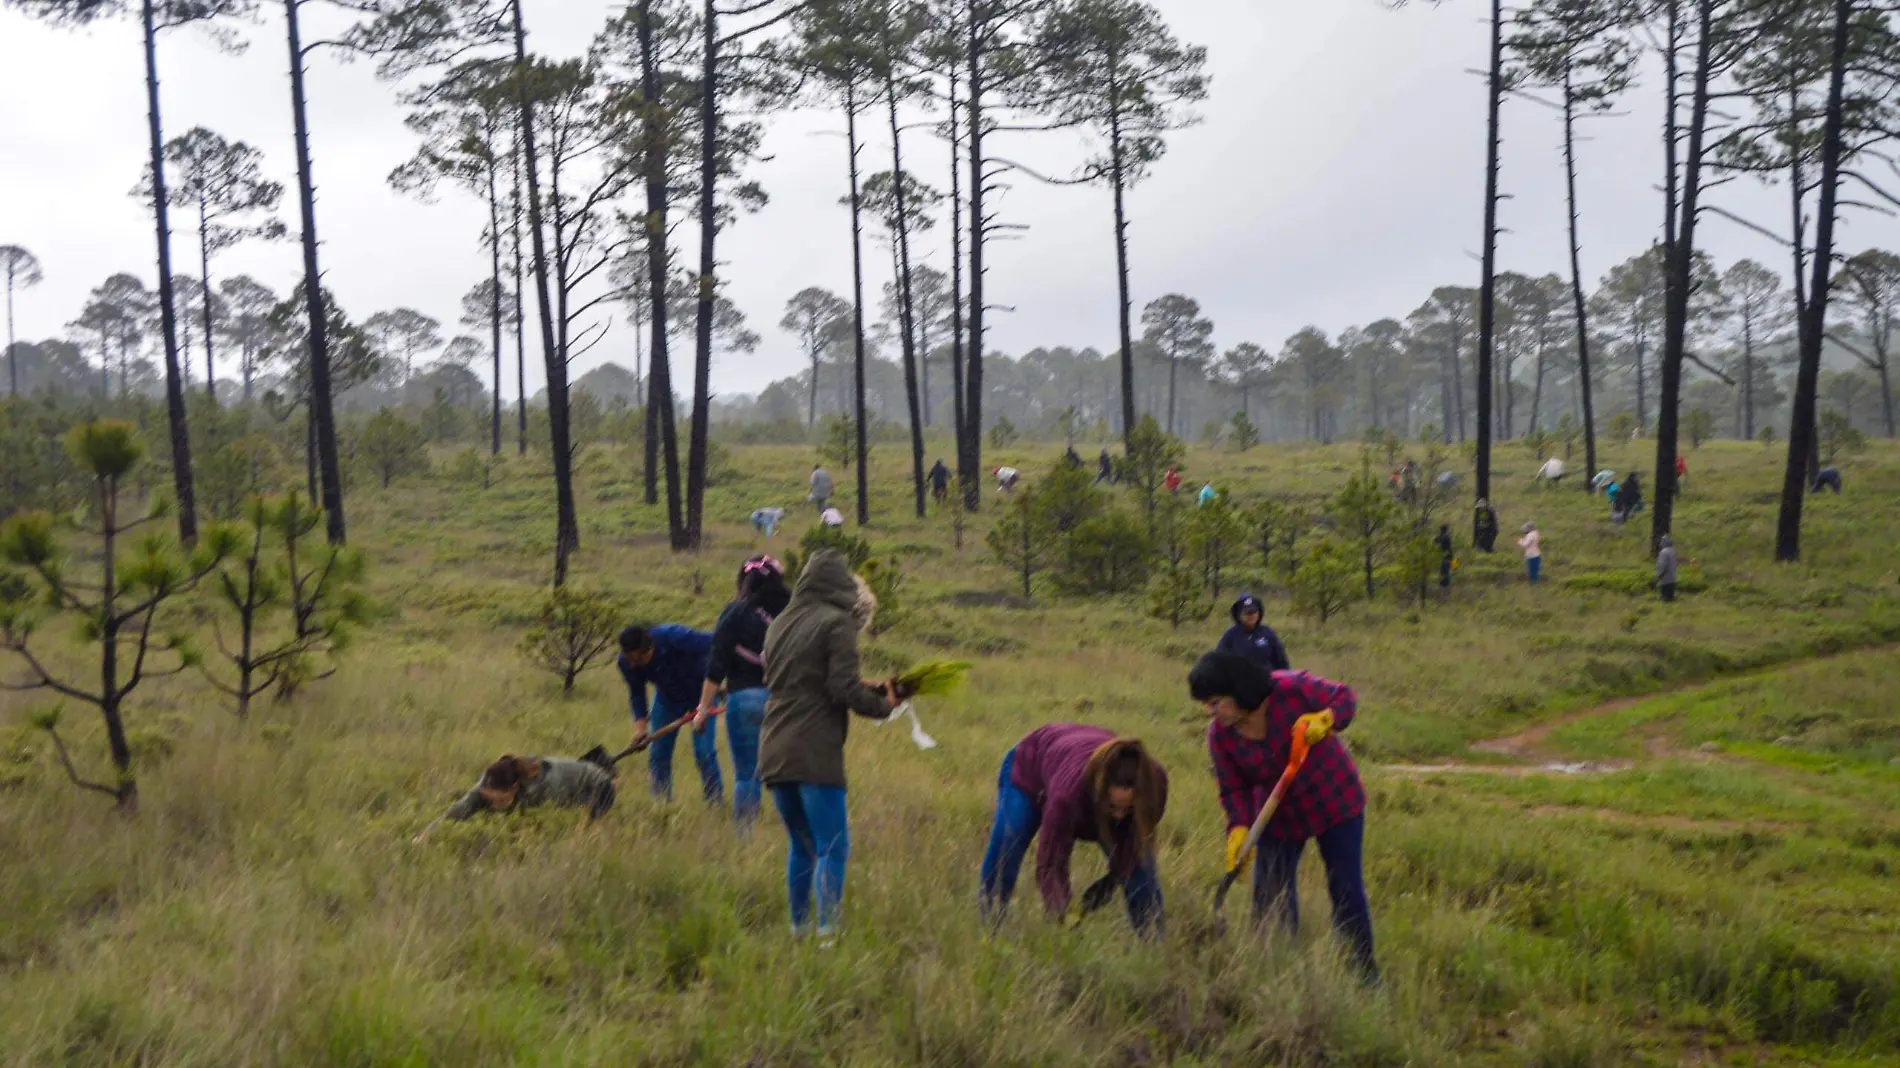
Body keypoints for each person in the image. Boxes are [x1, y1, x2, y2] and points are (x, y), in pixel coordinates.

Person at [1188, 652, 1377, 982]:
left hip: (1335, 801)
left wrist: (1327, 718)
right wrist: (1238, 828)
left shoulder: (1290, 689)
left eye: (1216, 702)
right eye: (1207, 704)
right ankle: (1279, 976)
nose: (1211, 711)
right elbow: (1233, 789)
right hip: (1277, 816)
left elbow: (1344, 696)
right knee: (1270, 897)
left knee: (1346, 889)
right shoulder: (1220, 736)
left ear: (1238, 690)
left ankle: (1362, 975)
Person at [757, 550, 897, 941]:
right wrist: (884, 705)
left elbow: (799, 678)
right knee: (833, 847)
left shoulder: (781, 623)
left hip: (772, 747)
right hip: (813, 750)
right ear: (842, 586)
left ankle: (799, 931)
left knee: (801, 847)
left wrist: (862, 687)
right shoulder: (838, 623)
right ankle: (828, 938)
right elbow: (841, 688)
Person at [978, 726, 1168, 933]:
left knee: (1141, 869)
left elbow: (1135, 843)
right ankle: (990, 928)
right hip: (1030, 767)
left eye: (1128, 808)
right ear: (1099, 790)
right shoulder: (1067, 798)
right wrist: (1065, 916)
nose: (1119, 816)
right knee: (1009, 839)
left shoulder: (1154, 786)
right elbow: (1051, 864)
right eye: (1112, 806)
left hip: (1072, 751)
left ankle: (1152, 944)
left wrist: (1113, 879)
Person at [694, 556, 792, 826]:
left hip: (744, 699)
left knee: (746, 776)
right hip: (784, 703)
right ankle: (795, 834)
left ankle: (745, 840)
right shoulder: (792, 614)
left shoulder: (735, 612)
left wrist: (703, 711)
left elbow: (716, 666)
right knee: (785, 775)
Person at [619, 623, 721, 803]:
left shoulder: (676, 638)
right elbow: (637, 694)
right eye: (630, 660)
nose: (633, 665)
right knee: (658, 754)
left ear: (649, 649)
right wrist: (641, 728)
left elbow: (718, 644)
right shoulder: (626, 663)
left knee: (704, 753)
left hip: (703, 697)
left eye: (638, 660)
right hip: (668, 700)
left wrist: (718, 681)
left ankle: (715, 804)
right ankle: (661, 805)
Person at [418, 754, 616, 842]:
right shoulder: (486, 784)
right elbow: (457, 811)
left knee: (579, 835)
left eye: (498, 799)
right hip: (566, 786)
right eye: (489, 798)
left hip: (597, 788)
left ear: (514, 787)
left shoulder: (545, 786)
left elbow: (555, 821)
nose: (492, 805)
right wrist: (426, 835)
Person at [1217, 593, 1290, 671]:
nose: (1251, 616)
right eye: (1247, 613)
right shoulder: (1230, 636)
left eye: (1254, 612)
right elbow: (1218, 663)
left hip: (1267, 679)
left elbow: (1282, 662)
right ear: (1238, 614)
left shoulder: (1268, 633)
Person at [1656, 534, 1679, 602]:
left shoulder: (1663, 552)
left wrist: (1659, 575)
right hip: (1673, 579)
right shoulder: (1673, 551)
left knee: (1664, 599)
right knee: (1671, 599)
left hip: (1665, 580)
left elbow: (1662, 566)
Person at [1434, 524, 1454, 588]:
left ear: (1442, 530)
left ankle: (1445, 584)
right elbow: (1436, 540)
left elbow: (1437, 540)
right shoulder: (1445, 536)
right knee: (1444, 570)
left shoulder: (1445, 536)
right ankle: (1444, 584)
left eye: (1441, 530)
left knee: (1445, 570)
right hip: (1448, 555)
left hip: (1447, 555)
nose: (1440, 531)